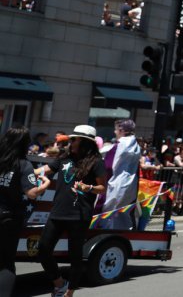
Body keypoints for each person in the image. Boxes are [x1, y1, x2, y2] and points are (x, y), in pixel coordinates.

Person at [39, 125, 109, 297]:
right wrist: (23, 171)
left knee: (75, 256)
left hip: (79, 215)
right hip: (58, 212)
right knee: (43, 249)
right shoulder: (65, 158)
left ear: (84, 142)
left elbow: (103, 188)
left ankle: (69, 292)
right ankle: (60, 283)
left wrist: (88, 187)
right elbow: (45, 170)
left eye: (74, 139)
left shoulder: (96, 162)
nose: (70, 142)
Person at [0, 127, 50, 295]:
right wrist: (45, 184)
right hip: (8, 218)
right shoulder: (23, 164)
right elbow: (32, 193)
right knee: (6, 263)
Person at [96, 119, 140, 230]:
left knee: (109, 214)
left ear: (121, 130)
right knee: (123, 213)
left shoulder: (119, 145)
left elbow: (107, 166)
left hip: (116, 183)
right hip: (131, 184)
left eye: (116, 130)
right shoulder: (136, 145)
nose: (115, 132)